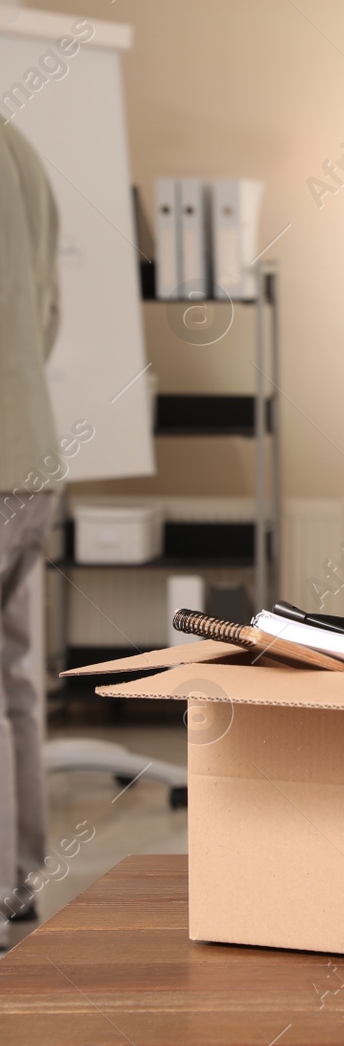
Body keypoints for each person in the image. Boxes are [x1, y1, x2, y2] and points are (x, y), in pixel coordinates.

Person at [0, 120, 62, 944]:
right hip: (30, 452)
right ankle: (16, 884)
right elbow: (45, 307)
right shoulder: (15, 143)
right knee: (10, 673)